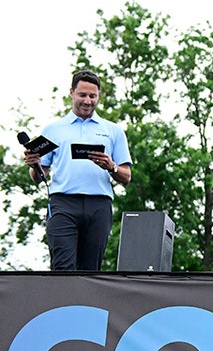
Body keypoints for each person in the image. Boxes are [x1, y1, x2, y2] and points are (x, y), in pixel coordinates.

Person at [23, 70, 132, 270]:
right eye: (82, 95)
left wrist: (111, 166)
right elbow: (38, 177)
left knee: (91, 271)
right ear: (72, 92)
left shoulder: (113, 131)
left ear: (99, 96)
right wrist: (34, 164)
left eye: (93, 96)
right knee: (63, 268)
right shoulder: (53, 130)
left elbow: (126, 176)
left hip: (99, 204)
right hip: (63, 203)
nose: (88, 101)